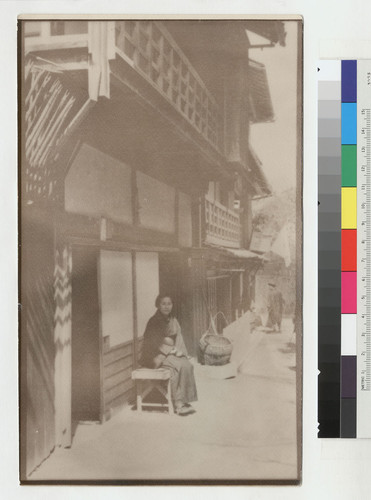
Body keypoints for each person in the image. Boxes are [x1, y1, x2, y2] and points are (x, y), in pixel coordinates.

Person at [140, 294, 198, 416]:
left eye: (169, 304)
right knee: (177, 367)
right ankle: (178, 404)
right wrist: (170, 348)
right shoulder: (154, 321)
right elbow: (153, 342)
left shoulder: (173, 320)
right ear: (158, 305)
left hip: (169, 353)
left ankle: (185, 400)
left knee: (187, 364)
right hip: (154, 355)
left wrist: (181, 352)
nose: (167, 307)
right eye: (163, 304)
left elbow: (178, 339)